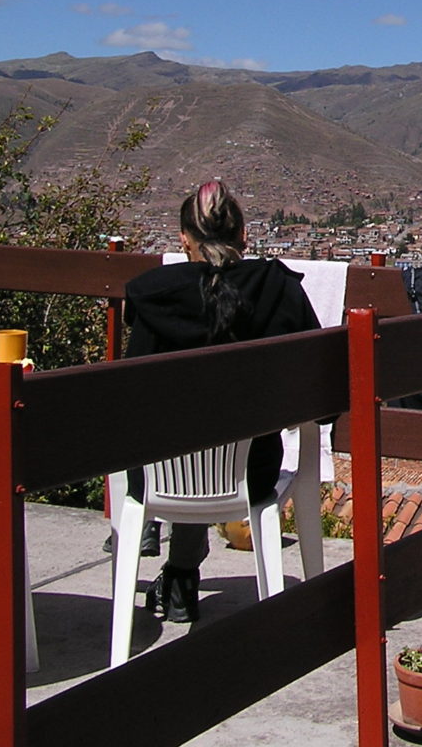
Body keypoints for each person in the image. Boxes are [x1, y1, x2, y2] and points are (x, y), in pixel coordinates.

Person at [120, 179, 320, 622]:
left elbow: (129, 394)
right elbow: (320, 386)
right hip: (251, 474)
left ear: (183, 239)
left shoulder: (154, 296)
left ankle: (175, 570)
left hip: (158, 477)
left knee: (187, 450)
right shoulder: (278, 290)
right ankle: (180, 573)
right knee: (206, 448)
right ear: (243, 235)